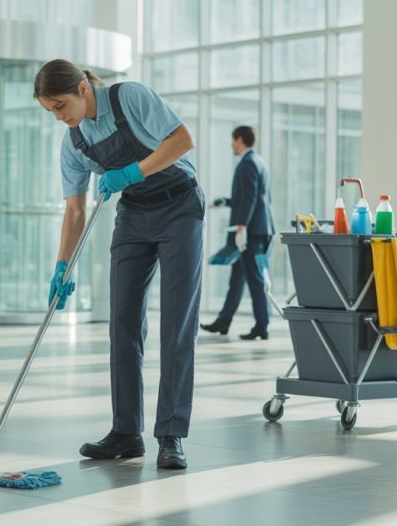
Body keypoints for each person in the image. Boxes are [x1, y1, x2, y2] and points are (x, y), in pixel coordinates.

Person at [34, 59, 204, 470]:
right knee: (123, 321)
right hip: (134, 215)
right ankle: (126, 432)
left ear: (82, 89)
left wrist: (131, 171)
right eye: (50, 111)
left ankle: (171, 434)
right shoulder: (73, 143)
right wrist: (62, 267)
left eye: (60, 106)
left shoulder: (130, 98)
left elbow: (182, 140)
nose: (59, 117)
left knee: (177, 322)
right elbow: (74, 211)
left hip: (179, 206)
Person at [201, 126, 275, 340]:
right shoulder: (259, 162)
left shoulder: (247, 163)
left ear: (240, 139)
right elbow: (256, 197)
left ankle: (262, 327)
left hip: (251, 232)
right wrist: (226, 202)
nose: (232, 144)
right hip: (259, 227)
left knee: (255, 279)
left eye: (233, 140)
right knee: (237, 279)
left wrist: (241, 225)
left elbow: (251, 198)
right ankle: (223, 322)